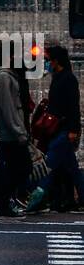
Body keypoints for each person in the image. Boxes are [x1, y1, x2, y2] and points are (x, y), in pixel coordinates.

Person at [27, 46, 81, 214]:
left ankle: (38, 195)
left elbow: (73, 106)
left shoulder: (68, 79)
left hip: (64, 129)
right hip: (57, 129)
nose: (47, 63)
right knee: (70, 167)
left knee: (49, 165)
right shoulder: (58, 78)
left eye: (48, 60)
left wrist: (73, 129)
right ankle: (71, 200)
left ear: (56, 61)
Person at [0, 49, 31, 217]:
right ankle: (1, 200)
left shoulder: (10, 77)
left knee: (14, 168)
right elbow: (8, 108)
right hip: (11, 134)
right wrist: (19, 132)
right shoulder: (4, 78)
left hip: (13, 132)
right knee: (20, 167)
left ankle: (1, 199)